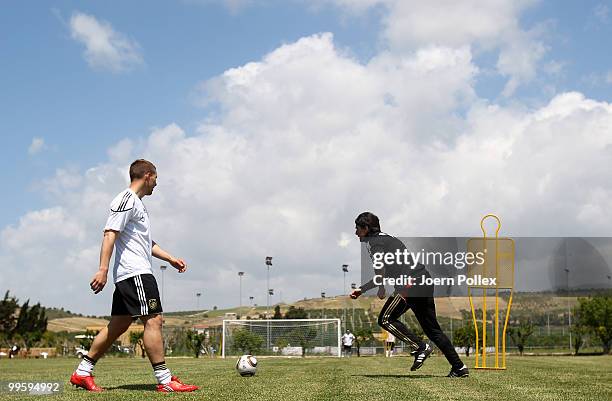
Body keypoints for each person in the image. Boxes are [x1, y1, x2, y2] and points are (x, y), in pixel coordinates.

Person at [69, 159, 199, 392]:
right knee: (154, 319)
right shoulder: (126, 200)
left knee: (118, 325)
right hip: (135, 272)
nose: (156, 185)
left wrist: (169, 258)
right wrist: (102, 269)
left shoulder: (138, 204)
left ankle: (82, 373)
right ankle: (165, 380)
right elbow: (110, 233)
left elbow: (145, 242)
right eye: (156, 179)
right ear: (147, 175)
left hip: (132, 273)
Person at [349, 212, 469, 377]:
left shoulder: (374, 242)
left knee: (385, 319)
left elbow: (380, 270)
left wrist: (365, 289)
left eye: (357, 228)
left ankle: (421, 347)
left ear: (366, 228)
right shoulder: (388, 238)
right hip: (424, 279)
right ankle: (459, 367)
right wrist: (380, 286)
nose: (355, 232)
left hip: (410, 283)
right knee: (433, 330)